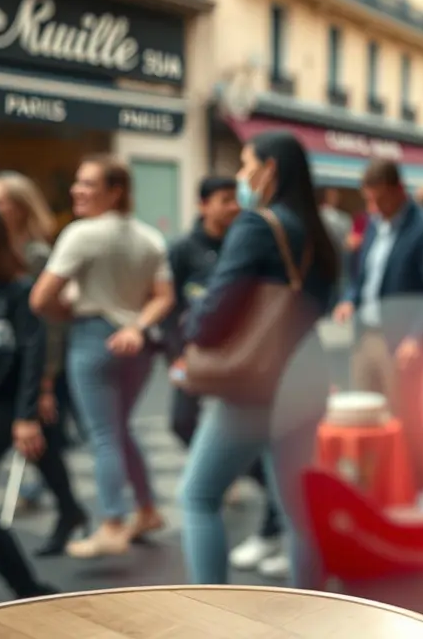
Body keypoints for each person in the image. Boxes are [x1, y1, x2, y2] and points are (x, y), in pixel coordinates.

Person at [177, 130, 337, 588]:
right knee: (299, 514)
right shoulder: (317, 233)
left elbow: (220, 302)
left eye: (247, 165)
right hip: (305, 382)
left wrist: (191, 327)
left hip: (255, 387)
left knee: (198, 496)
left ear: (270, 170)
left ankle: (213, 617)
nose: (242, 177)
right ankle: (312, 615)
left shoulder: (257, 225)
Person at [30, 156, 174, 559]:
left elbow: (40, 298)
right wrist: (136, 327)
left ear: (115, 191)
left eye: (89, 184)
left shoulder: (82, 234)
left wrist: (70, 311)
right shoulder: (149, 237)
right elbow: (164, 297)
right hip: (135, 346)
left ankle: (112, 522)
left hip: (93, 339)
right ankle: (146, 511)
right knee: (121, 429)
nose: (78, 190)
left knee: (105, 435)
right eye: (78, 182)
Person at [0, 172, 89, 557]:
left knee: (40, 440)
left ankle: (68, 511)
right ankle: (69, 510)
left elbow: (48, 326)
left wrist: (46, 383)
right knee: (40, 446)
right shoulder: (3, 251)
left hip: (41, 370)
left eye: (0, 201)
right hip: (10, 371)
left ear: (19, 206)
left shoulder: (34, 256)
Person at [0, 205, 58, 598]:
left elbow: (34, 353)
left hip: (1, 404)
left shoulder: (17, 291)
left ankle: (28, 589)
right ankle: (29, 588)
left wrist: (26, 416)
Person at [332, 160, 423, 416]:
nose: (373, 208)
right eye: (369, 201)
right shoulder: (374, 225)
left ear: (398, 190)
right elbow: (361, 277)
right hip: (365, 335)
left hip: (399, 342)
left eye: (380, 200)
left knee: (401, 418)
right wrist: (348, 300)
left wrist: (416, 337)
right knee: (364, 414)